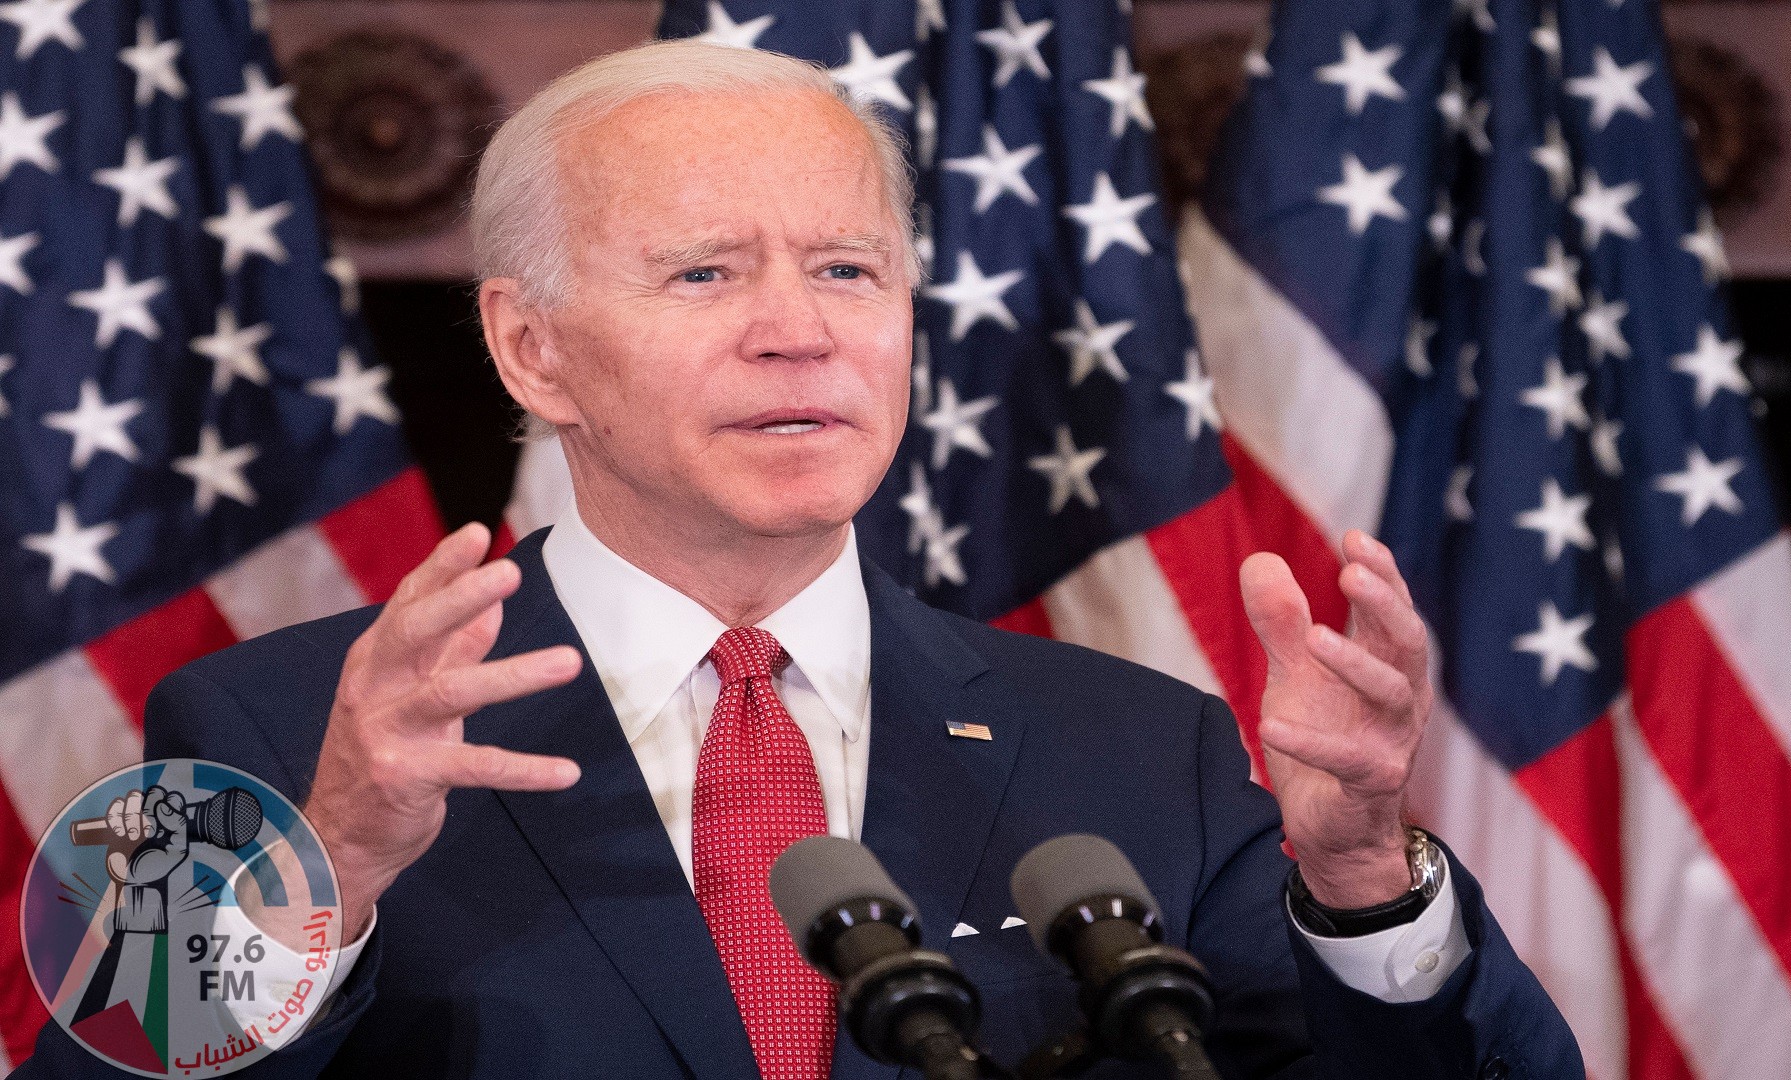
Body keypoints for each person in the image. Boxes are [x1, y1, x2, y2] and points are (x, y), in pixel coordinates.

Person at [17, 40, 1581, 1080]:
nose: (799, 327)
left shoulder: (1138, 745)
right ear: (533, 347)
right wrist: (334, 865)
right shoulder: (268, 729)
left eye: (849, 268)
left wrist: (1371, 880)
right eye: (704, 272)